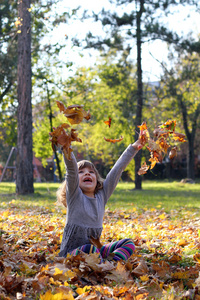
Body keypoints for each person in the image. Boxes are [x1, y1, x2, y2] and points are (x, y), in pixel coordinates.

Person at [56, 135, 144, 262]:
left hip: (95, 251)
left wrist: (133, 148)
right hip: (72, 255)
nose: (87, 173)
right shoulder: (74, 196)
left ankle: (112, 264)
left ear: (96, 179)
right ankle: (102, 266)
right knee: (89, 249)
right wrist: (66, 147)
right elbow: (71, 170)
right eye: (81, 172)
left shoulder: (102, 196)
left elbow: (117, 171)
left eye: (91, 172)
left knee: (128, 243)